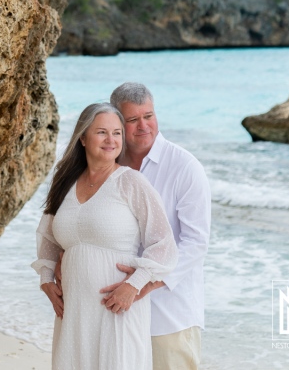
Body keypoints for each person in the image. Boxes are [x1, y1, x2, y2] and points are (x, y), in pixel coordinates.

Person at [31, 103, 177, 370]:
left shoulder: (131, 182)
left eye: (117, 133)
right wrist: (46, 281)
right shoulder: (64, 182)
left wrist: (134, 285)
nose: (111, 140)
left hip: (117, 309)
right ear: (83, 138)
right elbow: (49, 238)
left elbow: (164, 244)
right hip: (74, 311)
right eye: (102, 132)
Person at [85, 83, 212, 370]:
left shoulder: (185, 167)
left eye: (149, 116)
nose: (144, 126)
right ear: (117, 121)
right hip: (114, 311)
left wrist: (142, 284)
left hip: (168, 314)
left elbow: (195, 243)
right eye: (132, 120)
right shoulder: (108, 164)